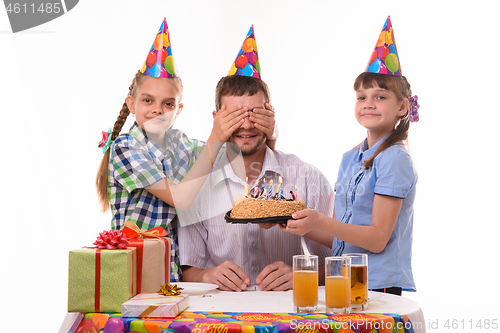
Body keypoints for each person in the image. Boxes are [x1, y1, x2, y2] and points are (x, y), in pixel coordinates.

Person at [95, 19, 276, 282]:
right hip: (131, 271)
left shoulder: (182, 144)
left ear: (179, 110)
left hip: (170, 274)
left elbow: (234, 156)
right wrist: (216, 136)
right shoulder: (125, 148)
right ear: (131, 104)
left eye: (168, 103)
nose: (157, 109)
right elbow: (181, 199)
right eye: (148, 100)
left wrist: (270, 133)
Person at [178, 26, 333, 292]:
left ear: (270, 115)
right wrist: (207, 276)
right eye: (235, 116)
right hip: (220, 314)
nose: (246, 125)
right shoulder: (197, 184)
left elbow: (339, 257)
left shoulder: (306, 177)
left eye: (254, 114)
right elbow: (188, 268)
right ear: (216, 120)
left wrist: (303, 275)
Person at [281, 17, 419, 295]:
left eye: (380, 97)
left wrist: (320, 220)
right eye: (361, 97)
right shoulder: (350, 158)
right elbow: (338, 235)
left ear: (402, 107)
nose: (369, 103)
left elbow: (378, 240)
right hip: (342, 279)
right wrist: (298, 222)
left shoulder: (395, 158)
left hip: (378, 286)